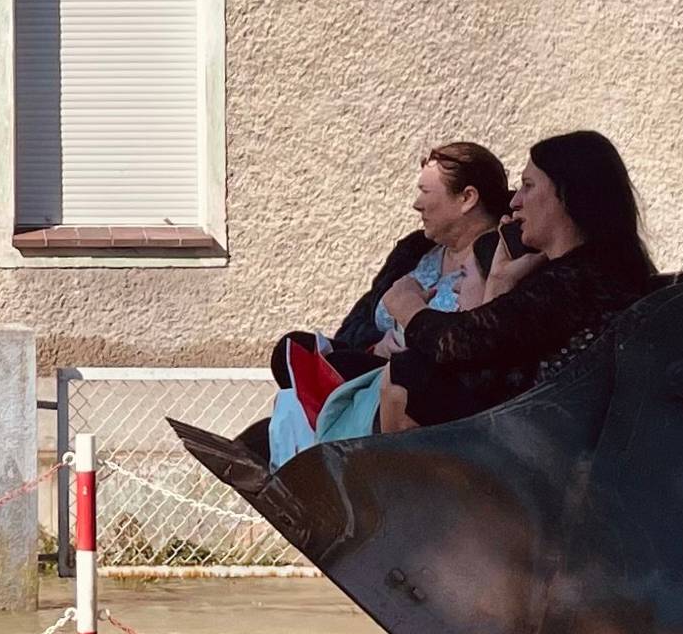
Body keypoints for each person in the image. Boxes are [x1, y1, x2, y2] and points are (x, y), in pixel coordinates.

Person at [376, 129, 658, 435]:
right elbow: (485, 358)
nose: (515, 202)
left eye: (528, 186)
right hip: (533, 439)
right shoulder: (578, 272)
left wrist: (407, 305)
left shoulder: (582, 279)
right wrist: (499, 278)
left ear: (565, 196)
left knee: (407, 376)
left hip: (552, 455)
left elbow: (456, 345)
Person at [268, 143, 509, 464]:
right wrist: (375, 344)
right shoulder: (414, 251)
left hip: (421, 386)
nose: (416, 204)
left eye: (426, 191)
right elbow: (360, 321)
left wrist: (407, 314)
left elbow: (475, 343)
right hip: (377, 366)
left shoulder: (494, 257)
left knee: (402, 375)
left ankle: (327, 450)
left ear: (467, 198)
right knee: (292, 349)